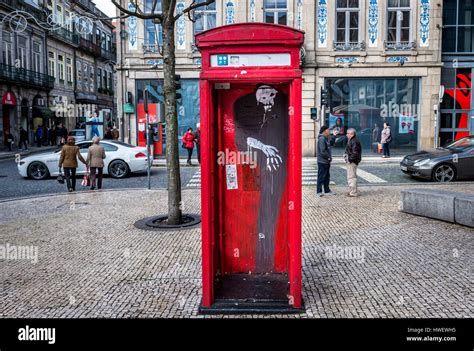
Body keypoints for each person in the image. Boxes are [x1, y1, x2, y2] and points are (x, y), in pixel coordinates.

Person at [317, 126, 336, 197]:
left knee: (327, 177)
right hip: (322, 161)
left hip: (326, 161)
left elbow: (331, 144)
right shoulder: (322, 139)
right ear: (325, 131)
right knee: (321, 176)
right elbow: (322, 151)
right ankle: (319, 192)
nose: (329, 131)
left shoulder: (326, 138)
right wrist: (328, 157)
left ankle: (327, 190)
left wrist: (334, 136)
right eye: (328, 130)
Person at [344, 128, 362, 197]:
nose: (346, 135)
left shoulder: (354, 141)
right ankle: (353, 191)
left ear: (352, 134)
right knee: (351, 176)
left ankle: (353, 192)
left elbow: (355, 153)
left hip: (352, 161)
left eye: (348, 133)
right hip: (352, 160)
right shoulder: (352, 140)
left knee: (351, 177)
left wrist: (349, 160)